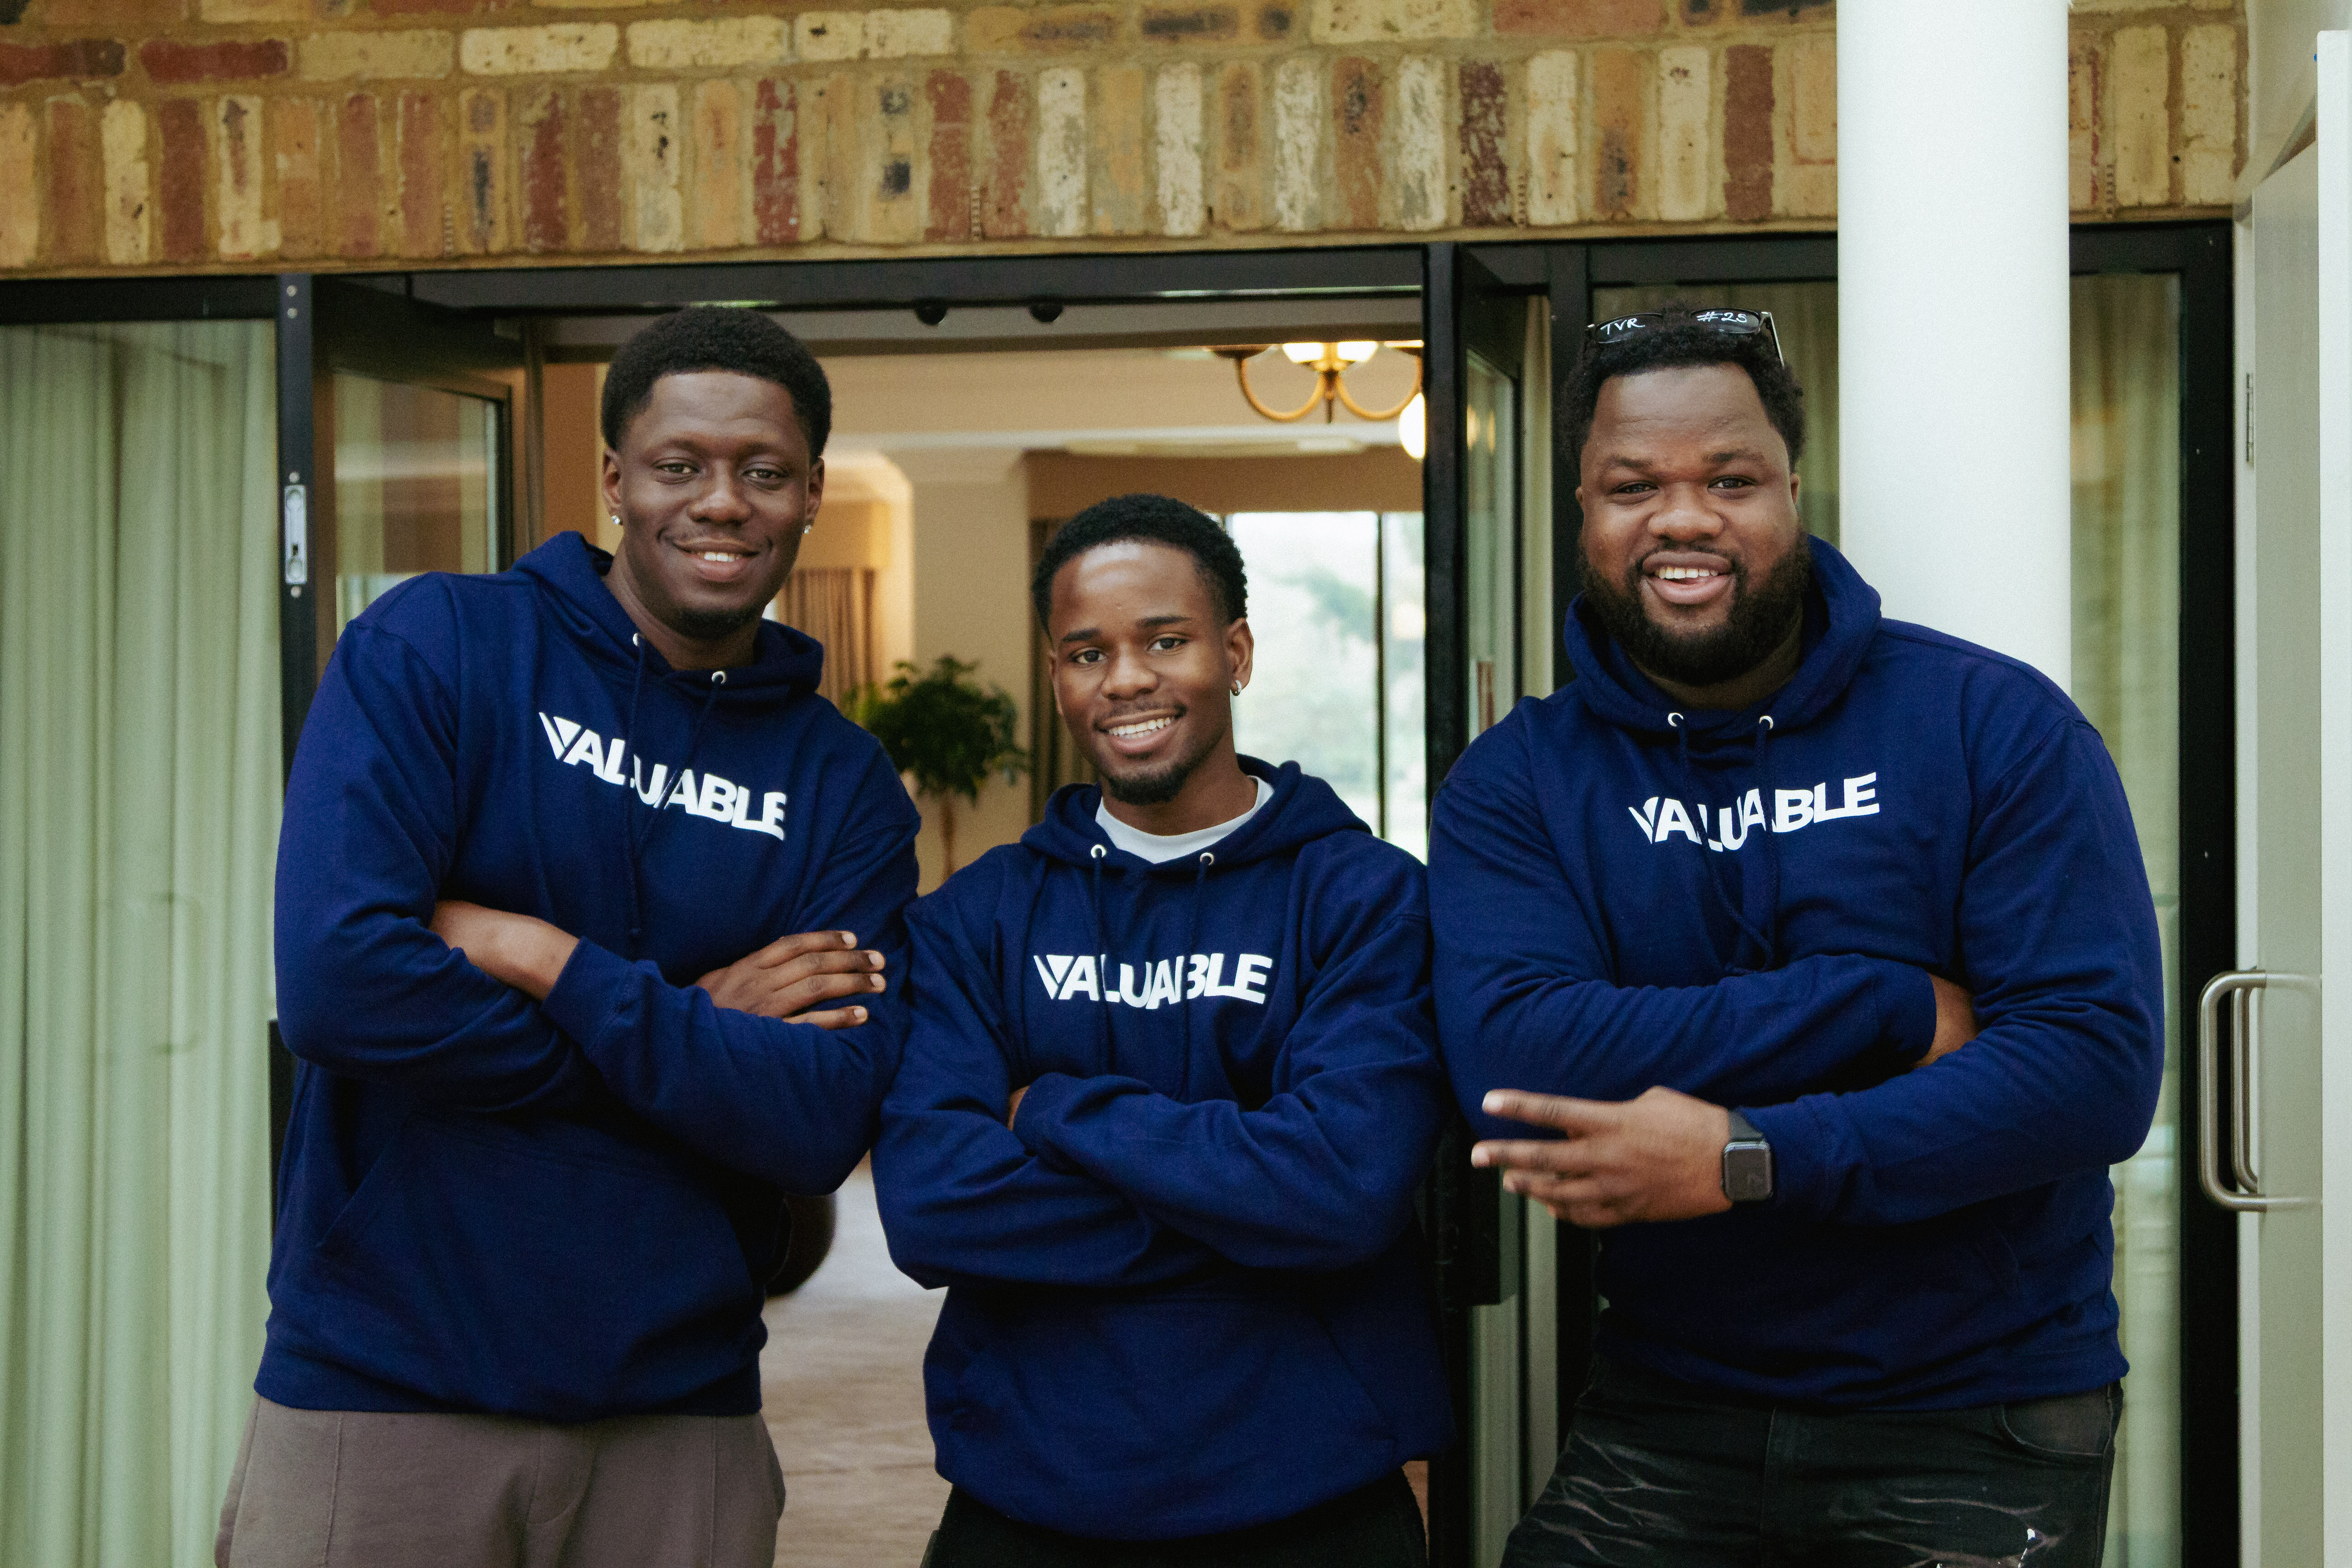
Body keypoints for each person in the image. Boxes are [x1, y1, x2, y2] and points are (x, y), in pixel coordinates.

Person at [1431, 306, 2163, 1568]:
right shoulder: (1520, 782)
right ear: (1583, 509)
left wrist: (1747, 1155)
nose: (1682, 518)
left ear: (1792, 490)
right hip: (1671, 1409)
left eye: (1729, 478)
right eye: (1632, 486)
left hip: (1975, 1419)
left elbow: (2088, 1072)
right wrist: (1887, 1007)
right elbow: (1523, 1054)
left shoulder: (1993, 725)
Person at [220, 307, 920, 1568]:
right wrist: (697, 1032)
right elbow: (339, 988)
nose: (721, 502)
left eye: (763, 472)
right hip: (384, 1389)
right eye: (678, 466)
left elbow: (822, 1117)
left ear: (811, 491)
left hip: (676, 1415)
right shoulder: (439, 648)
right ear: (614, 480)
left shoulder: (842, 784)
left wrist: (555, 965)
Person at [872, 494, 1451, 1567]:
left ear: (1234, 652)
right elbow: (931, 1208)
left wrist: (1049, 1110)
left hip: (1313, 1503)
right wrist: (1246, 1204)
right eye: (1087, 652)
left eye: (1166, 640)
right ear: (1057, 679)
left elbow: (1345, 1189)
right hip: (1028, 1502)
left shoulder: (1367, 900)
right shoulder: (974, 917)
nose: (1127, 679)